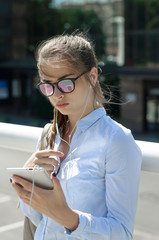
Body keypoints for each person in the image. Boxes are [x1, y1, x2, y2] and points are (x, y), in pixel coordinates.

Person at [11, 33, 142, 240]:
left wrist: (69, 218)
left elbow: (123, 233)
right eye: (48, 85)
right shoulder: (49, 135)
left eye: (66, 83)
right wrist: (26, 183)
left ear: (92, 76)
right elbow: (40, 222)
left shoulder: (117, 140)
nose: (57, 94)